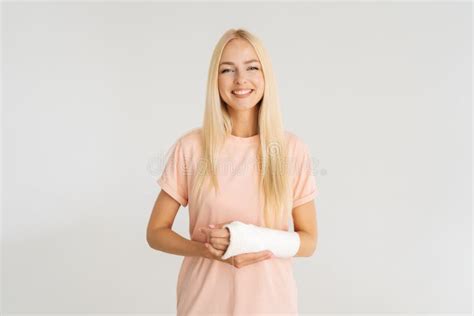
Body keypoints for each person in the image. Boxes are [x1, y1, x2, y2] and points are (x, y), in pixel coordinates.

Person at [146, 28, 318, 315]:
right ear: (216, 80)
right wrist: (206, 250)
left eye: (252, 67)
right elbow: (155, 232)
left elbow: (309, 242)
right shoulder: (191, 147)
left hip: (271, 305)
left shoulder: (291, 150)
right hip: (204, 303)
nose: (241, 80)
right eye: (228, 70)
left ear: (265, 76)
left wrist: (251, 239)